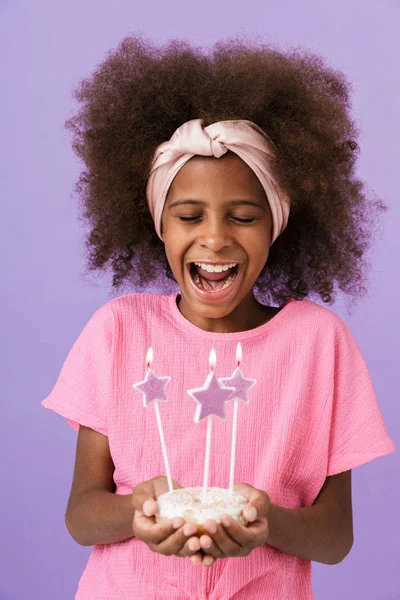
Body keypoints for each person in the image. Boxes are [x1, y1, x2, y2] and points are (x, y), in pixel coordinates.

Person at [42, 34, 396, 600]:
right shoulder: (118, 331)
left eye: (243, 216)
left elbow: (336, 539)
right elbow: (81, 514)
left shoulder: (318, 344)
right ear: (159, 224)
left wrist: (267, 525)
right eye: (188, 215)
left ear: (277, 226)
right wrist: (136, 513)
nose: (214, 238)